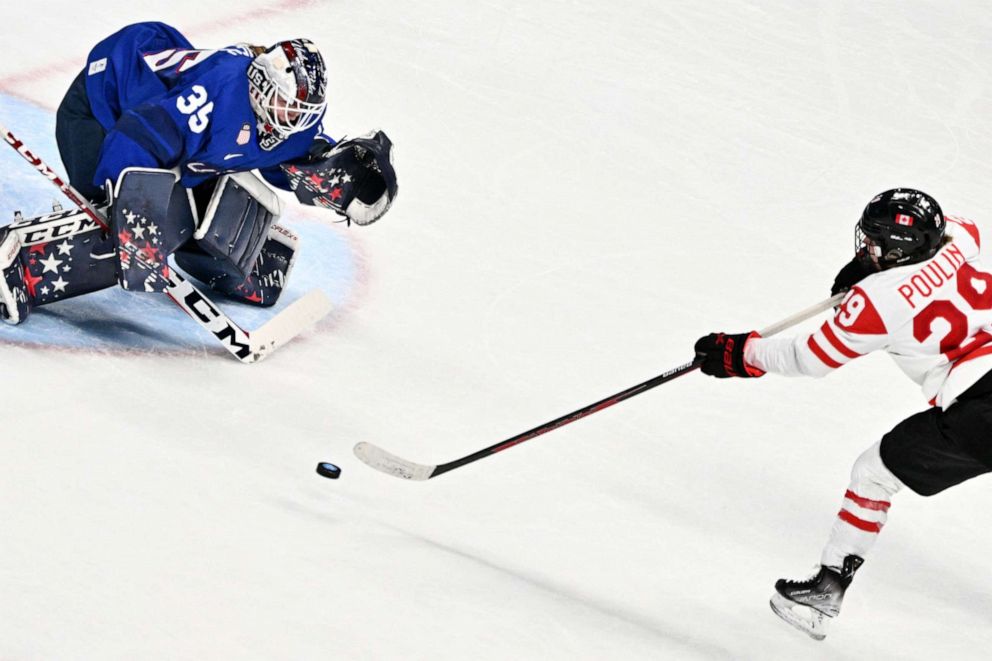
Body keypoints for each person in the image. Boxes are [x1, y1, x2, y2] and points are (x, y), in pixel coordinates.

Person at [693, 188, 992, 640]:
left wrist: (742, 353)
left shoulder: (877, 302)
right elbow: (959, 226)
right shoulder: (958, 241)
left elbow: (811, 357)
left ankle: (824, 595)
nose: (865, 248)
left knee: (872, 475)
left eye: (874, 242)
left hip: (981, 407)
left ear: (895, 249)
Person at [0, 21, 396, 325]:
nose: (289, 119)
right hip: (102, 106)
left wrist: (327, 169)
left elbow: (284, 159)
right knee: (110, 219)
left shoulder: (290, 122)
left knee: (197, 196)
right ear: (261, 85)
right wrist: (129, 209)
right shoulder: (215, 96)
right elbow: (139, 135)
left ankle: (220, 258)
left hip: (174, 130)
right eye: (285, 106)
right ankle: (17, 267)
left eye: (299, 113)